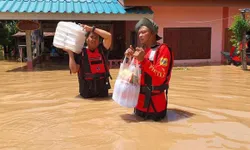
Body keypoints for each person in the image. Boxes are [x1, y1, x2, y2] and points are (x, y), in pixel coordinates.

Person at [125, 18, 174, 121]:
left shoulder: (163, 50)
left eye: (143, 32)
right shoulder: (140, 51)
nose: (140, 35)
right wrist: (128, 59)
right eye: (139, 33)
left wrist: (143, 61)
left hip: (155, 108)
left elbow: (160, 77)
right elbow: (131, 77)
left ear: (152, 32)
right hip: (138, 105)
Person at [64, 24, 112, 98]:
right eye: (91, 37)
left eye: (96, 38)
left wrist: (91, 29)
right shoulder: (80, 52)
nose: (94, 39)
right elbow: (74, 70)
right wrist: (70, 53)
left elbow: (108, 36)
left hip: (102, 91)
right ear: (86, 39)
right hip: (86, 92)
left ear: (99, 41)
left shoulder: (102, 49)